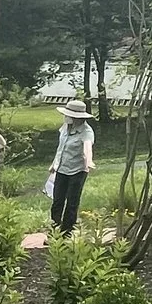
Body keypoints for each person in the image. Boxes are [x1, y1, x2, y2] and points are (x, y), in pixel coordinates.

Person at [48, 99, 95, 234]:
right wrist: (54, 164)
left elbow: (87, 147)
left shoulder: (87, 131)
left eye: (69, 115)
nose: (66, 117)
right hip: (62, 169)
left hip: (78, 171)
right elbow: (61, 147)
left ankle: (67, 232)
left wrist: (89, 161)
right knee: (57, 201)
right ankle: (55, 231)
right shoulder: (65, 127)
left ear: (77, 117)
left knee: (72, 203)